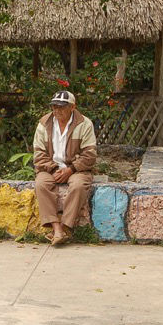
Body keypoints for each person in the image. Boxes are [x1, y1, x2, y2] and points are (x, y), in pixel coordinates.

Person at [33, 90, 97, 246]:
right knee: (41, 184)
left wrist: (71, 169)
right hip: (50, 168)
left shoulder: (84, 124)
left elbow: (90, 155)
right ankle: (56, 227)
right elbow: (38, 153)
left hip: (77, 169)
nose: (57, 110)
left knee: (79, 186)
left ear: (72, 107)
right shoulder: (44, 123)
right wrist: (54, 169)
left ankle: (65, 227)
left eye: (61, 107)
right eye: (54, 106)